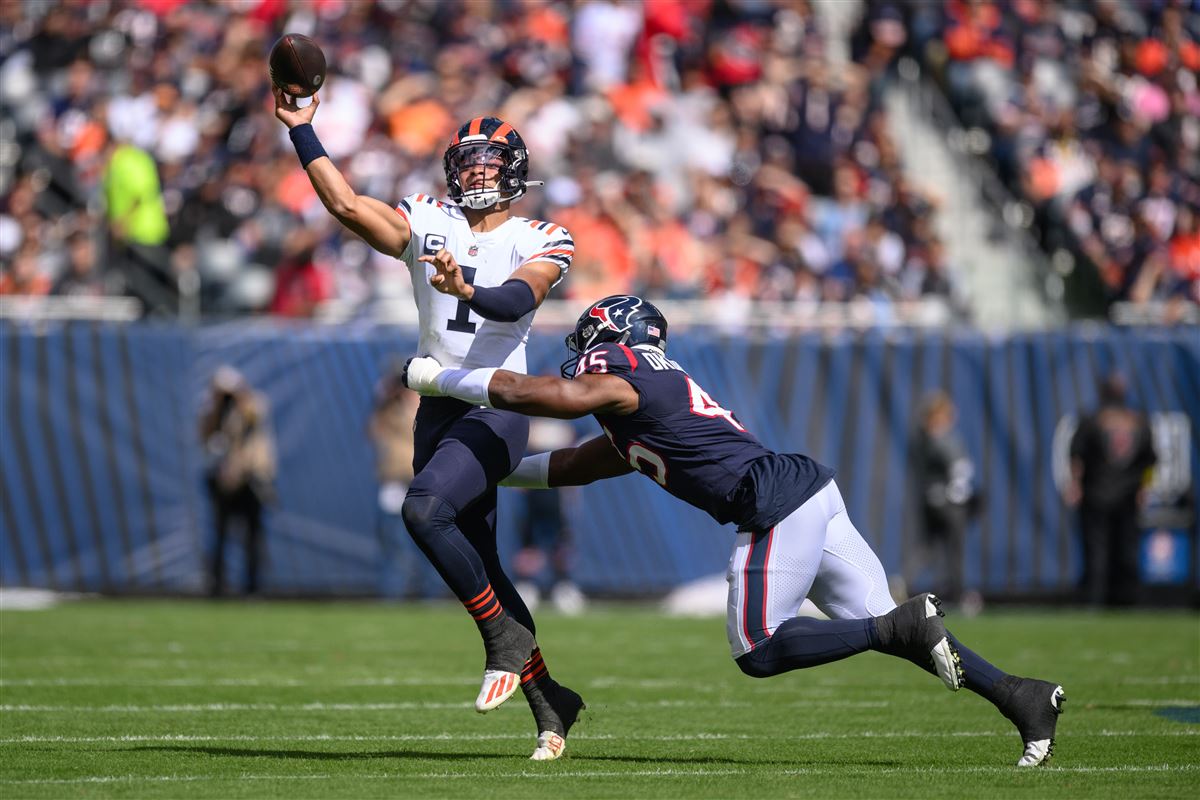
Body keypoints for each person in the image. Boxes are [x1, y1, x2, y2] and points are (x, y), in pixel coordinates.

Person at [403, 295, 1066, 768]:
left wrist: (446, 378)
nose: (580, 356)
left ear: (613, 336)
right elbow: (578, 463)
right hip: (808, 493)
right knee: (889, 625)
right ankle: (1020, 697)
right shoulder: (643, 406)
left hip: (774, 504)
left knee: (759, 648)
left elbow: (547, 397)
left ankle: (898, 628)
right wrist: (495, 474)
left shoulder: (627, 376)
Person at [273, 88, 582, 760]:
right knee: (489, 570)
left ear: (516, 168)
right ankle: (549, 700)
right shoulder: (425, 217)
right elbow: (347, 206)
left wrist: (464, 288)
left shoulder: (544, 236)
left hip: (498, 405)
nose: (475, 170)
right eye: (465, 159)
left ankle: (502, 640)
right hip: (437, 408)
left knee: (424, 511)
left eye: (489, 160)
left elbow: (511, 300)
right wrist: (302, 130)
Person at [1066, 373, 1157, 607]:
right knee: (1126, 550)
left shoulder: (1092, 419)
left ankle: (1095, 601)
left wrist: (1075, 485)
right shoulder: (1138, 420)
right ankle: (1127, 601)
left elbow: (1076, 456)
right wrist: (1143, 489)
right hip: (1127, 495)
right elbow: (1151, 461)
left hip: (1097, 494)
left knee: (1097, 551)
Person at [198, 366, 276, 597]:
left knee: (253, 535)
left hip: (251, 477)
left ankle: (252, 587)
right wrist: (216, 404)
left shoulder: (253, 403)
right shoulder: (212, 409)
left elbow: (254, 415)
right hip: (224, 480)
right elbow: (206, 437)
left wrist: (240, 397)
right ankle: (217, 586)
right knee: (220, 534)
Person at [910, 391, 983, 615]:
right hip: (946, 504)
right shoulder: (938, 438)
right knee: (950, 548)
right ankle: (956, 592)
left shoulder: (921, 438)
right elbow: (959, 468)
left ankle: (905, 584)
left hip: (932, 500)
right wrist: (957, 489)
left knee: (929, 548)